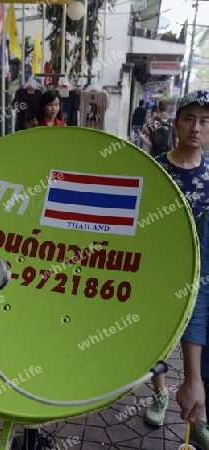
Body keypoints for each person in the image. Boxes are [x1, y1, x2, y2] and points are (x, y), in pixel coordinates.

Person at [144, 90, 209, 449]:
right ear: (175, 124)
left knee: (197, 338)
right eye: (189, 118)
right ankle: (159, 394)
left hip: (202, 277)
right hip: (158, 273)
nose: (196, 127)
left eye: (204, 121)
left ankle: (197, 414)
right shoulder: (154, 169)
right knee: (157, 338)